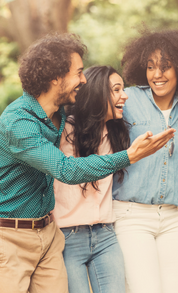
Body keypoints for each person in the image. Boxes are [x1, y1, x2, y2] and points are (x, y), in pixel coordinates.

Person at [0, 33, 175, 293]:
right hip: (6, 235)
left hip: (47, 233)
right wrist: (129, 156)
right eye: (79, 72)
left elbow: (37, 159)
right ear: (55, 77)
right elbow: (64, 169)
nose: (84, 79)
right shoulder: (19, 122)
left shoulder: (58, 115)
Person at [112, 28, 178, 293]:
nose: (157, 75)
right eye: (150, 67)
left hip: (176, 218)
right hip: (132, 215)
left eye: (166, 67)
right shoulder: (128, 99)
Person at [53, 66, 128, 293]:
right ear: (97, 93)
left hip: (105, 235)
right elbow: (34, 158)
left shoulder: (115, 133)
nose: (124, 96)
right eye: (116, 90)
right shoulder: (66, 130)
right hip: (67, 238)